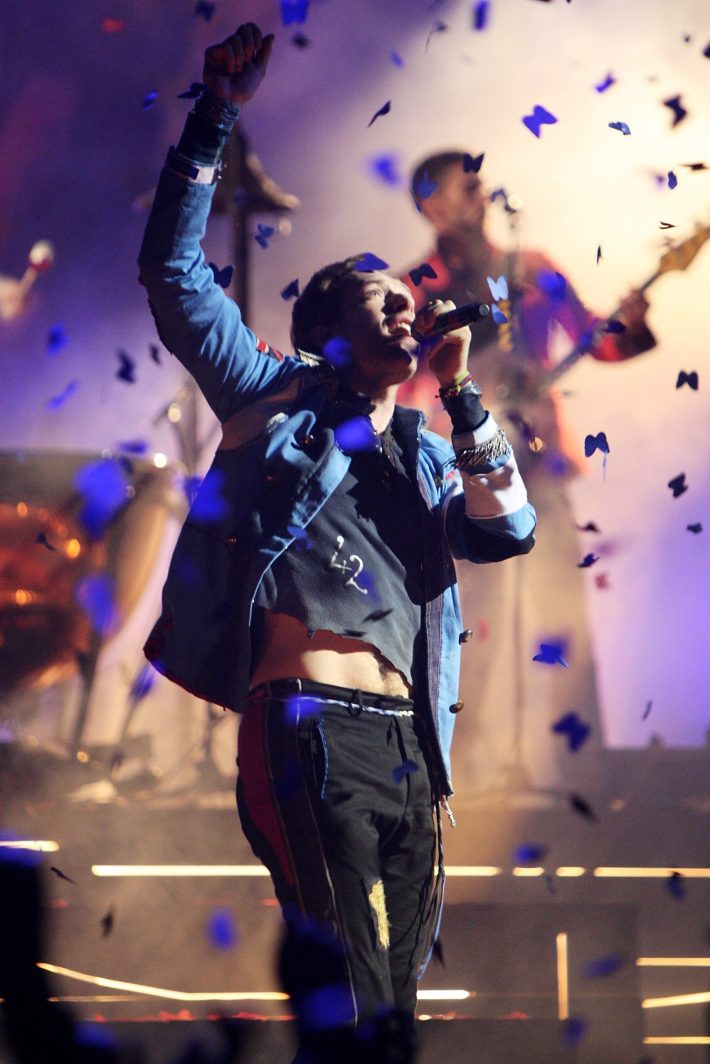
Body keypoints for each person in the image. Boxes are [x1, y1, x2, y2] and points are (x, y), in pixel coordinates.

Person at [138, 28, 535, 1060]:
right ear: (328, 324)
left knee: (391, 1014)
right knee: (353, 992)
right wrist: (215, 116)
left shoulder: (425, 448)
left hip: (411, 746)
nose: (408, 304)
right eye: (382, 295)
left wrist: (461, 394)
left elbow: (509, 527)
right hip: (307, 726)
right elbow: (173, 273)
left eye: (410, 300)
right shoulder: (269, 395)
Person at [399, 151, 656, 796]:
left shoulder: (534, 268)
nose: (481, 190)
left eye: (480, 181)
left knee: (562, 614)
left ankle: (585, 776)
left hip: (539, 462)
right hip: (465, 471)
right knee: (472, 623)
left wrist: (631, 322)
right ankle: (464, 776)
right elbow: (397, 379)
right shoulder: (417, 287)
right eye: (466, 184)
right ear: (433, 205)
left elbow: (598, 340)